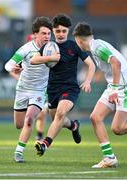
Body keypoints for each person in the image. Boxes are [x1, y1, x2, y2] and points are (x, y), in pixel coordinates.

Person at [72, 22, 127, 168]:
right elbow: (110, 66)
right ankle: (109, 158)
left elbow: (116, 63)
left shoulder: (98, 48)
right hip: (115, 86)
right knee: (95, 117)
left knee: (117, 129)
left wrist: (114, 89)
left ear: (78, 40)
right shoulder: (95, 46)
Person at [31, 14, 96, 156]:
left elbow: (91, 65)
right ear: (53, 31)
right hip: (53, 89)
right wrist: (50, 58)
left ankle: (45, 144)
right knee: (57, 120)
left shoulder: (74, 46)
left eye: (64, 31)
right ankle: (74, 125)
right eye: (57, 31)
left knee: (60, 113)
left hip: (70, 89)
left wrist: (87, 81)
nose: (61, 34)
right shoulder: (49, 47)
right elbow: (33, 60)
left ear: (68, 31)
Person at [4, 16, 60, 163]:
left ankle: (19, 152)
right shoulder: (26, 49)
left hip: (39, 91)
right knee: (19, 125)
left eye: (49, 33)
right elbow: (8, 65)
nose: (47, 36)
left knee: (30, 119)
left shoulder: (53, 49)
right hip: (22, 89)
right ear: (35, 34)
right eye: (43, 33)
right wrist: (14, 67)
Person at [9, 33, 48, 141]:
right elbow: (12, 69)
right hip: (24, 89)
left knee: (42, 113)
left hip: (42, 89)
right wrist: (19, 77)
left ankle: (39, 136)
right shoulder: (26, 54)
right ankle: (72, 125)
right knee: (19, 124)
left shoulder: (48, 52)